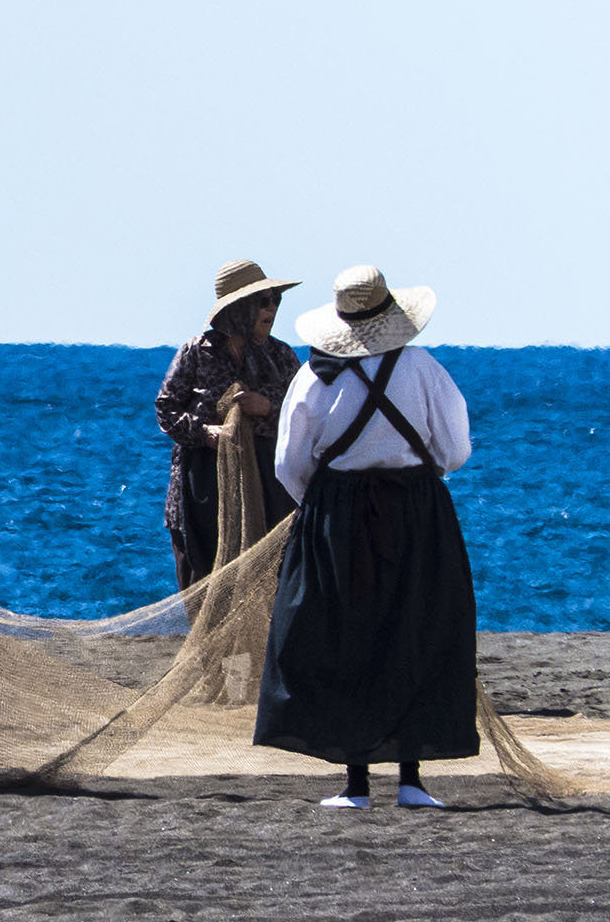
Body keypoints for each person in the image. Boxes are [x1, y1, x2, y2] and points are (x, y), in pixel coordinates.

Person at [252, 264, 477, 809]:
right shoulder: (424, 368)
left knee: (338, 636)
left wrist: (326, 506)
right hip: (417, 512)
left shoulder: (314, 376)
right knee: (416, 633)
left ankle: (354, 783)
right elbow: (454, 451)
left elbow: (289, 464)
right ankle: (411, 779)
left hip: (336, 515)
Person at [155, 259, 302, 589]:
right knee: (200, 576)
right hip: (201, 482)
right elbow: (166, 409)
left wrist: (268, 408)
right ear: (238, 308)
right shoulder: (196, 352)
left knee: (269, 579)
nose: (272, 307)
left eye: (276, 298)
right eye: (263, 301)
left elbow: (304, 416)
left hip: (266, 484)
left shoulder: (281, 356)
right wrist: (205, 433)